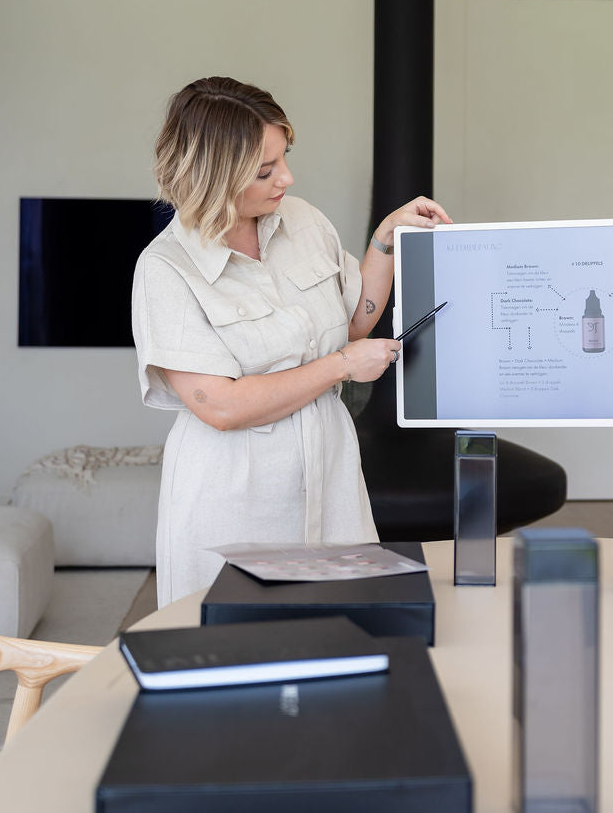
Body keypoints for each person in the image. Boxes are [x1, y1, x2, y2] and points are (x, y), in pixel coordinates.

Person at [132, 76, 451, 605]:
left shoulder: (303, 221)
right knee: (239, 640)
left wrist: (386, 239)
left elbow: (352, 324)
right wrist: (342, 366)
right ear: (214, 176)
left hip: (331, 475)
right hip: (234, 495)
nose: (286, 177)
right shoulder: (165, 269)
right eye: (265, 170)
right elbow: (222, 407)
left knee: (344, 626)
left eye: (284, 157)